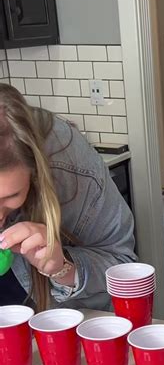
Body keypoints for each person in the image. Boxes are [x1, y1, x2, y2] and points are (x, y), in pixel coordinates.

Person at [0, 84, 136, 311]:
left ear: (34, 171)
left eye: (11, 195)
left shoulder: (69, 166)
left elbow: (123, 267)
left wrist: (61, 266)